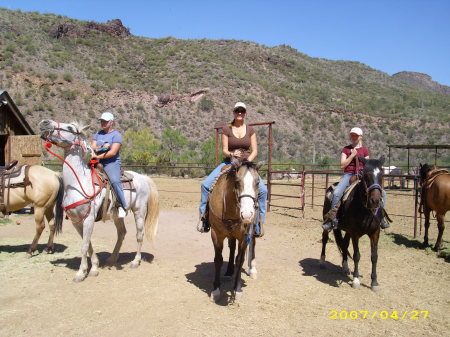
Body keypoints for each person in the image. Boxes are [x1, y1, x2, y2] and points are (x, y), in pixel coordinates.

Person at [197, 102, 268, 235]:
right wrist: (232, 154)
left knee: (263, 191)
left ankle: (259, 223)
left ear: (245, 113)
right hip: (229, 162)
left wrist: (247, 163)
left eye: (242, 111)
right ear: (234, 113)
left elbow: (255, 151)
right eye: (237, 111)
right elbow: (224, 150)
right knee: (206, 185)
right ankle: (204, 218)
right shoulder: (226, 129)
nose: (239, 113)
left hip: (247, 164)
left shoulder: (250, 130)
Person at [322, 127, 389, 231]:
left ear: (360, 137)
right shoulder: (346, 149)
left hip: (361, 175)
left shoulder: (364, 150)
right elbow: (342, 165)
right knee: (337, 193)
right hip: (348, 175)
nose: (353, 137)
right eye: (352, 135)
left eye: (356, 136)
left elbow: (368, 166)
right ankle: (333, 219)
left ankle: (380, 217)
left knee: (383, 193)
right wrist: (352, 155)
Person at [90, 112, 127, 218]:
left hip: (111, 162)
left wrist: (98, 155)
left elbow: (112, 152)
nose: (103, 123)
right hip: (97, 161)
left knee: (115, 181)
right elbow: (92, 146)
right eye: (102, 121)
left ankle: (122, 206)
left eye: (105, 121)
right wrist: (103, 148)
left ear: (111, 122)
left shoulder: (116, 135)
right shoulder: (98, 134)